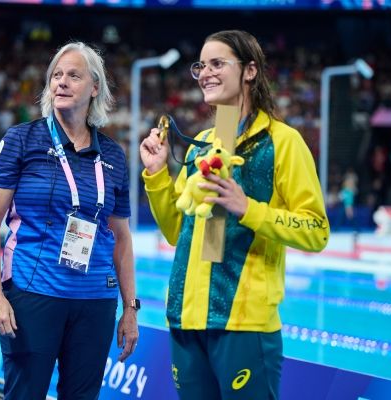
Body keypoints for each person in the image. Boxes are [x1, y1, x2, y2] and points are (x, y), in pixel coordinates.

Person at [140, 30, 329, 400]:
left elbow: (317, 230)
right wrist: (157, 174)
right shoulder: (205, 142)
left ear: (250, 70)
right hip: (187, 320)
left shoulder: (282, 142)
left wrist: (249, 209)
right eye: (201, 65)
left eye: (217, 63)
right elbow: (178, 232)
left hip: (243, 324)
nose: (205, 73)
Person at [0, 41, 139, 400]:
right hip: (34, 293)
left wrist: (130, 308)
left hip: (96, 299)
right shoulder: (22, 139)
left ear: (95, 87)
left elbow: (121, 237)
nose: (61, 82)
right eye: (56, 75)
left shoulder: (112, 154)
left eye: (74, 76)